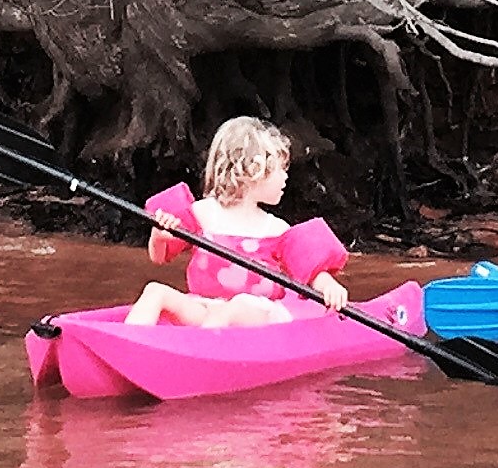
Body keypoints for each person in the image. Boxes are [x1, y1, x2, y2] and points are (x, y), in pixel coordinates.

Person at [121, 114, 352, 329]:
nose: (286, 177)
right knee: (155, 291)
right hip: (206, 306)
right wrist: (159, 235)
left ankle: (199, 351)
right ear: (254, 170)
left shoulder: (277, 229)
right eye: (281, 169)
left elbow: (310, 270)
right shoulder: (202, 213)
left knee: (237, 306)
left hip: (259, 315)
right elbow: (159, 257)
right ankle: (128, 345)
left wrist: (329, 286)